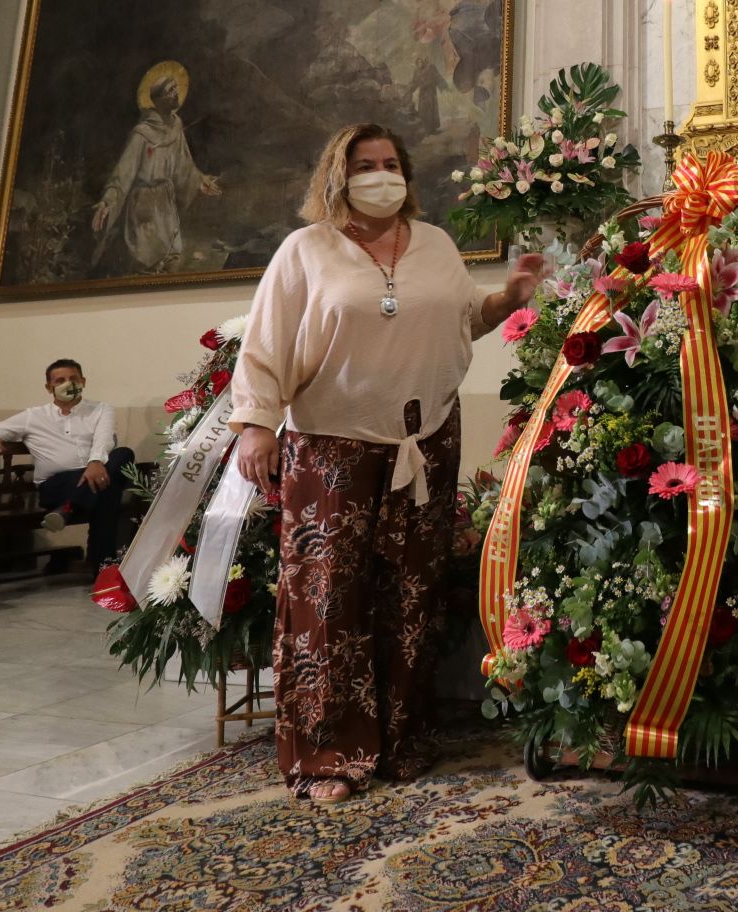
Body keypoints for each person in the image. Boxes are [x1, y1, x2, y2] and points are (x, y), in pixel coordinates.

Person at [230, 124, 545, 803]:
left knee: (411, 596)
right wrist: (254, 425)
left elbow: (464, 320)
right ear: (337, 175)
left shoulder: (434, 244)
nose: (381, 174)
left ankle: (403, 738)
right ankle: (325, 754)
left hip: (426, 440)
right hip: (329, 447)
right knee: (327, 601)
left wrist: (510, 299)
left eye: (391, 163)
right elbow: (265, 343)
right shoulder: (306, 250)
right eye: (365, 164)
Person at [0, 359, 132, 576]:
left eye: (73, 379)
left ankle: (67, 509)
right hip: (55, 485)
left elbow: (105, 439)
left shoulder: (101, 409)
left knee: (123, 455)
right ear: (49, 387)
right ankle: (103, 569)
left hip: (93, 473)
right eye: (60, 380)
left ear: (83, 381)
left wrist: (95, 462)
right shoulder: (32, 416)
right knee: (106, 488)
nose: (68, 383)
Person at [93, 67, 221, 273]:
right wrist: (107, 201)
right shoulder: (141, 134)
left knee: (173, 258)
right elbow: (122, 174)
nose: (175, 94)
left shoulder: (176, 126)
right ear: (158, 99)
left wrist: (200, 181)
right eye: (170, 91)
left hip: (165, 204)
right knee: (147, 264)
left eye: (176, 89)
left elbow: (184, 165)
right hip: (143, 206)